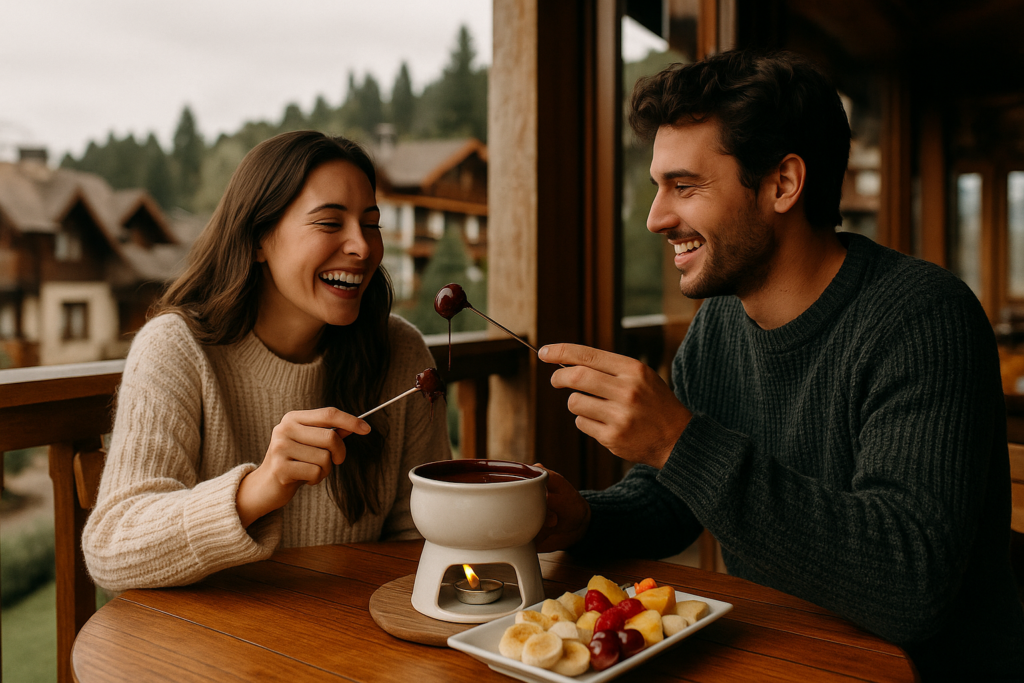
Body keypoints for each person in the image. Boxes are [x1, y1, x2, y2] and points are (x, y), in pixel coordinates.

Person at [535, 51, 1024, 680]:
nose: (657, 217)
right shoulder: (720, 324)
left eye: (684, 186)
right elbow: (676, 499)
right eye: (659, 187)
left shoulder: (922, 319)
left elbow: (909, 584)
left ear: (783, 185)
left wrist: (678, 438)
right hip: (782, 662)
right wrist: (585, 517)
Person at [82, 131, 450, 591]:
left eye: (370, 223)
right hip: (204, 652)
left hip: (354, 644)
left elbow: (420, 539)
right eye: (330, 223)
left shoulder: (402, 355)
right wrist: (255, 492)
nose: (362, 246)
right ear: (258, 239)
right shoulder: (175, 348)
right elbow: (111, 548)